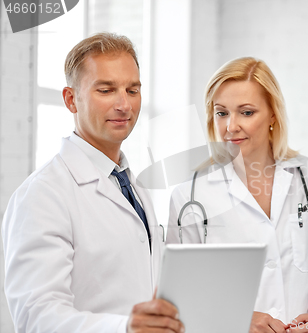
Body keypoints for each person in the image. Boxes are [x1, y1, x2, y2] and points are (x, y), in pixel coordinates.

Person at [1, 33, 184, 333]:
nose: (124, 104)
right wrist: (125, 328)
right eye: (106, 90)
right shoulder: (42, 195)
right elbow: (37, 318)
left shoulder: (131, 187)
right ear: (71, 99)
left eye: (132, 90)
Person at [167, 57, 308, 332]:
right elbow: (180, 294)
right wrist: (236, 319)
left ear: (273, 114)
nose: (231, 126)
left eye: (246, 112)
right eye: (221, 113)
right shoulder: (189, 194)